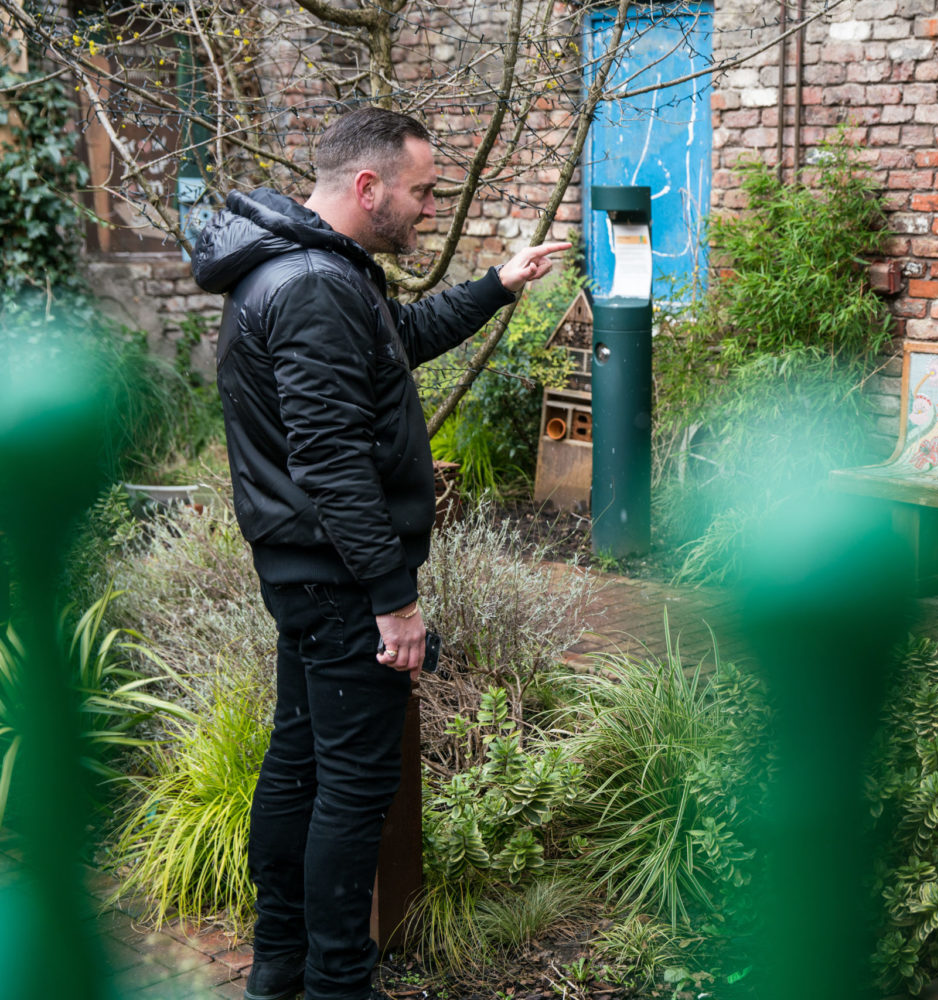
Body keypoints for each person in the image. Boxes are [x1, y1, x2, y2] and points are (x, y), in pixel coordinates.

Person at [191, 107, 570, 1000]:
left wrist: (495, 285)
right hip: (338, 580)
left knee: (299, 763)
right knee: (352, 791)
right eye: (425, 191)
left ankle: (280, 966)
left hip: (307, 572)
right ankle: (335, 983)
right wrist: (394, 601)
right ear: (369, 189)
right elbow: (331, 462)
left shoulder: (305, 270)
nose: (432, 208)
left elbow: (395, 345)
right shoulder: (317, 284)